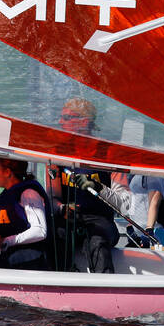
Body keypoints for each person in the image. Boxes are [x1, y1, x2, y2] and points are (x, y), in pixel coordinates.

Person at [47, 98, 119, 272]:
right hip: (69, 218)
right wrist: (61, 208)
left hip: (100, 220)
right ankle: (60, 284)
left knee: (96, 240)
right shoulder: (57, 153)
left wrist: (97, 187)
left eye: (65, 118)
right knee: (55, 235)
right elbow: (52, 196)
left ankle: (106, 289)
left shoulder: (109, 152)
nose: (59, 122)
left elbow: (123, 203)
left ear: (84, 122)